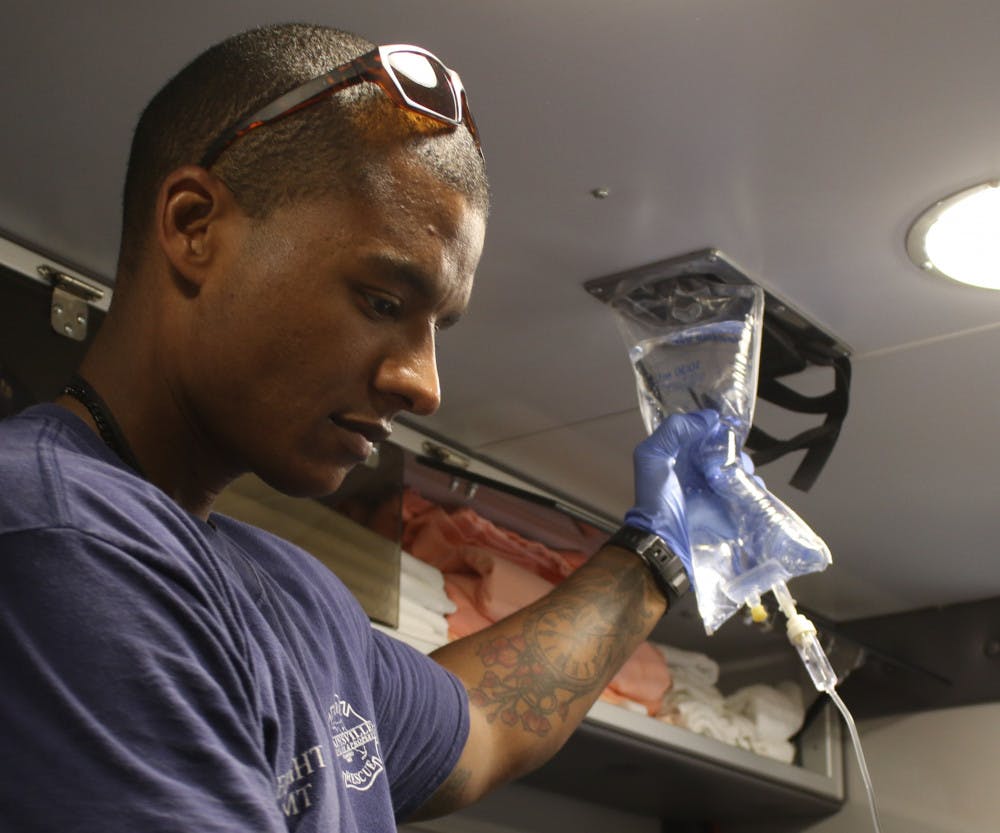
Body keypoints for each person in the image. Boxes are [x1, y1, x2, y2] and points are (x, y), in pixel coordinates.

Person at [0, 22, 717, 832]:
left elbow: (482, 723)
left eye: (437, 326)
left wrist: (659, 552)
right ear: (195, 225)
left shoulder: (292, 592)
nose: (423, 384)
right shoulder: (57, 533)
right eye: (382, 302)